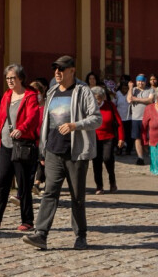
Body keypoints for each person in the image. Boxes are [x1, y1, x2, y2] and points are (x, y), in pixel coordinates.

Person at [22, 56, 101, 251]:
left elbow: (96, 118)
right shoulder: (52, 92)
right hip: (53, 151)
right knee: (49, 193)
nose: (57, 72)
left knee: (77, 197)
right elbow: (46, 123)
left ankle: (80, 235)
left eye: (61, 69)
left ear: (72, 71)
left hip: (75, 153)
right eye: (55, 69)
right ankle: (41, 234)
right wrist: (43, 149)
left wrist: (75, 125)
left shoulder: (83, 92)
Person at [0, 64, 42, 230]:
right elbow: (0, 120)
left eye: (12, 78)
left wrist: (21, 129)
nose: (9, 81)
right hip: (6, 145)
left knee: (23, 185)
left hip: (22, 145)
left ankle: (27, 221)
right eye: (7, 78)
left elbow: (33, 117)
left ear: (20, 78)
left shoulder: (30, 95)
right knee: (0, 182)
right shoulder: (7, 96)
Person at [90, 85, 125, 194]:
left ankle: (112, 181)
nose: (97, 101)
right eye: (95, 98)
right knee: (96, 162)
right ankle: (99, 186)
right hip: (94, 138)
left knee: (107, 158)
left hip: (108, 137)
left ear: (103, 97)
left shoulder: (110, 106)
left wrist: (121, 138)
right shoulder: (89, 107)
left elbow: (119, 122)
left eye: (99, 98)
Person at [127, 75, 154, 165]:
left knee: (149, 138)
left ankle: (152, 155)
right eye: (138, 81)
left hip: (148, 118)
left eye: (142, 81)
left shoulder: (150, 90)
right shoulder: (133, 90)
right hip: (136, 118)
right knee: (137, 138)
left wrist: (137, 99)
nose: (140, 83)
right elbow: (129, 100)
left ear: (145, 81)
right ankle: (140, 158)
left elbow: (150, 100)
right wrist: (130, 88)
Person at [29, 80, 49, 193]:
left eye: (38, 93)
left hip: (44, 139)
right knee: (35, 162)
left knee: (42, 161)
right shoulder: (31, 106)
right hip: (32, 139)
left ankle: (37, 183)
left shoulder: (46, 107)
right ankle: (35, 183)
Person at [113, 76, 132, 155]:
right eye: (123, 88)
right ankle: (119, 149)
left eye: (126, 88)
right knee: (119, 136)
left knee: (128, 136)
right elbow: (114, 104)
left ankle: (128, 150)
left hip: (129, 118)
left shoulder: (130, 94)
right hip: (119, 118)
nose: (125, 90)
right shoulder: (117, 94)